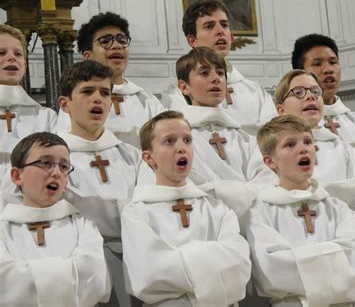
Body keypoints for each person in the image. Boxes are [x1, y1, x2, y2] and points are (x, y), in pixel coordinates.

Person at [122, 110, 251, 306]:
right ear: (149, 158)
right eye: (169, 141)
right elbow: (150, 274)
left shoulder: (217, 208)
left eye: (187, 140)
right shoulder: (137, 213)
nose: (181, 148)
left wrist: (179, 260)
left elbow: (240, 266)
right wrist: (215, 261)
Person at [243, 114, 355, 306]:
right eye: (290, 144)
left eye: (308, 142)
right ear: (270, 162)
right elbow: (271, 272)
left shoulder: (338, 208)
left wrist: (298, 259)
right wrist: (334, 258)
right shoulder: (260, 213)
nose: (303, 149)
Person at [57, 60, 142, 307]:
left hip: (136, 260)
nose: (98, 99)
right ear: (65, 104)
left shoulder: (131, 155)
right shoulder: (52, 159)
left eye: (105, 93)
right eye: (87, 91)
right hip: (82, 265)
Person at [0, 132, 110, 306]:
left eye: (64, 166)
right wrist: (70, 273)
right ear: (17, 176)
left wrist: (27, 275)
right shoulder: (3, 227)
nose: (57, 173)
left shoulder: (83, 224)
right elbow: (5, 286)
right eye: (45, 163)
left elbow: (94, 280)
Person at [139, 47, 271, 187]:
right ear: (184, 87)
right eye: (204, 73)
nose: (216, 79)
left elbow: (265, 180)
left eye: (220, 73)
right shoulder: (172, 141)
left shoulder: (245, 139)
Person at [161, 0, 276, 135]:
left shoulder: (256, 91)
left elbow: (272, 136)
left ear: (231, 37)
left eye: (224, 25)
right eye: (209, 26)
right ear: (193, 40)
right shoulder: (176, 94)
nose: (220, 31)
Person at [56, 12, 164, 148]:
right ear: (88, 56)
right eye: (106, 41)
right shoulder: (75, 102)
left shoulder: (147, 101)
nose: (116, 46)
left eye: (122, 40)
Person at [274, 69, 355, 185]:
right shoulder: (271, 152)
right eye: (298, 92)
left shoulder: (349, 152)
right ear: (281, 110)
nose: (311, 96)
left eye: (316, 91)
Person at [292, 33, 355, 163]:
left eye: (333, 62)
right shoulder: (292, 126)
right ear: (300, 73)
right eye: (317, 64)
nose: (328, 70)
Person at [0, 24, 56, 190]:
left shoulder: (45, 117)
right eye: (1, 53)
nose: (12, 58)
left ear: (25, 65)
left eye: (18, 54)